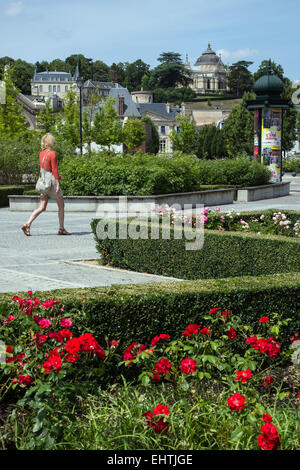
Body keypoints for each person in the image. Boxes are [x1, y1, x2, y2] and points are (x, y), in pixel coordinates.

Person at [21, 133, 71, 236]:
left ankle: (27, 224)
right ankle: (61, 229)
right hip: (52, 183)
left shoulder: (41, 153)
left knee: (42, 207)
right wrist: (57, 183)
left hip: (44, 183)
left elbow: (45, 169)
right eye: (53, 140)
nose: (54, 142)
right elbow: (54, 169)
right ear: (50, 141)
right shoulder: (53, 153)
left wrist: (57, 176)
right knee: (61, 206)